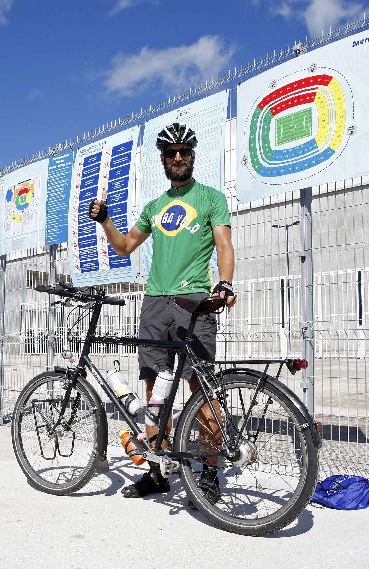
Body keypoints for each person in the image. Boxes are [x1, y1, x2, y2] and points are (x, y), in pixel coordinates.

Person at [88, 122, 236, 504]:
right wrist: (105, 220)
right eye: (170, 153)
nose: (178, 157)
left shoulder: (210, 198)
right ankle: (157, 472)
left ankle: (210, 473)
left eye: (184, 151)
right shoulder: (154, 207)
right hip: (155, 302)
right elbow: (123, 247)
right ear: (163, 159)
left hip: (194, 302)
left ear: (193, 155)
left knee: (202, 391)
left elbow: (223, 244)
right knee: (155, 391)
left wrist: (225, 283)